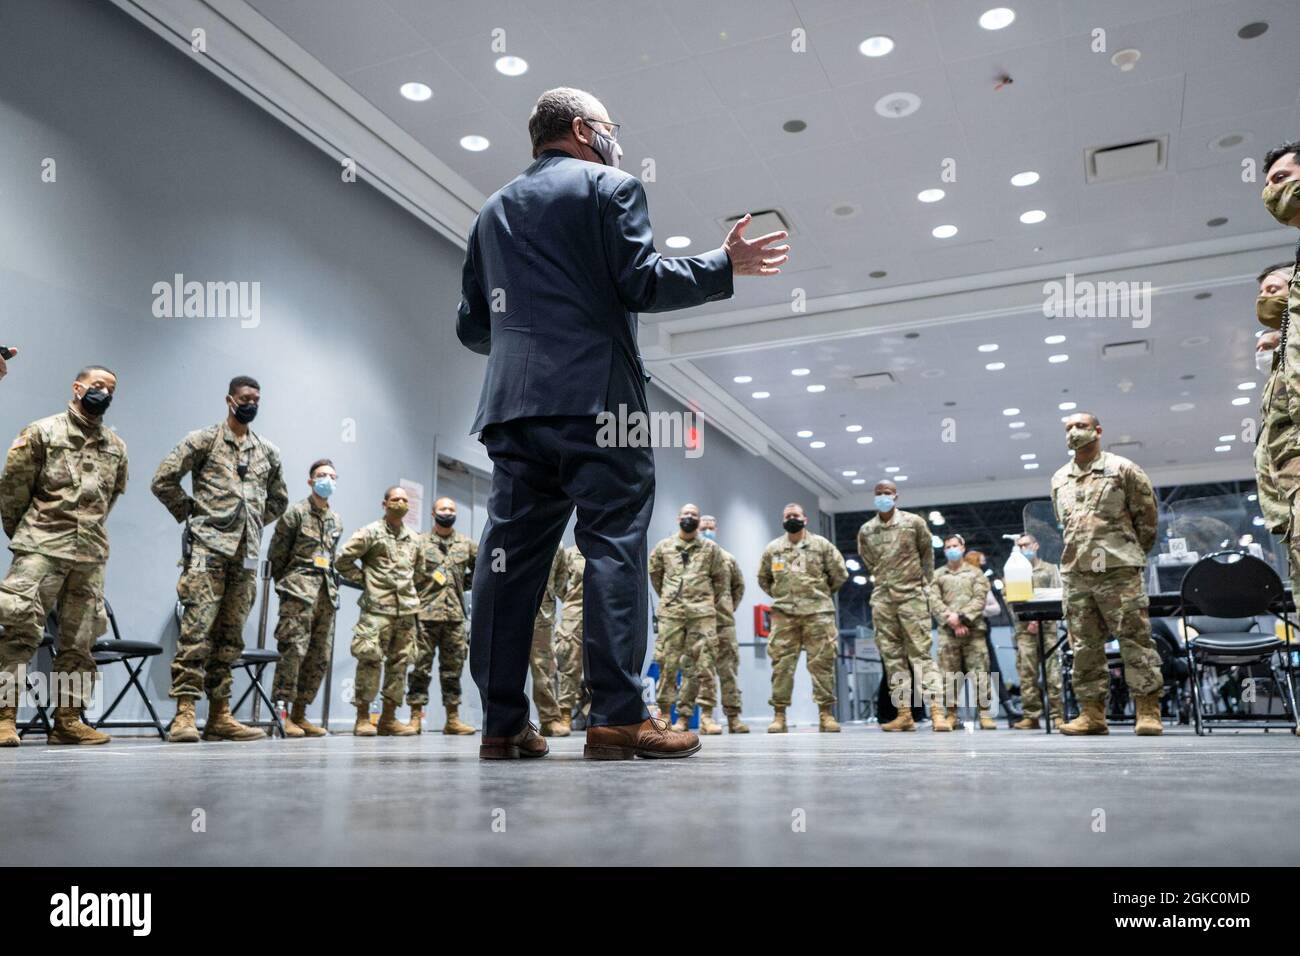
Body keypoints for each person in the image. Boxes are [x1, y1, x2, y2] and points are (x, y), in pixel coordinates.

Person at [456, 87, 787, 761]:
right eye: (611, 129)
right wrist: (726, 265)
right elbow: (641, 283)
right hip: (600, 406)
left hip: (514, 411)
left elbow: (471, 326)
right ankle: (615, 719)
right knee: (613, 546)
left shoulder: (491, 212)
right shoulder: (611, 187)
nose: (617, 142)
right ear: (582, 129)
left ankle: (500, 724)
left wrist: (531, 344)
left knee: (508, 561)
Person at [152, 375, 288, 743]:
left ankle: (220, 715)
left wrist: (252, 524)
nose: (251, 404)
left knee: (231, 640)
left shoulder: (267, 452)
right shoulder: (203, 440)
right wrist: (194, 516)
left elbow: (279, 500)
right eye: (245, 398)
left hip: (245, 557)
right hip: (207, 553)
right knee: (196, 634)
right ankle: (184, 714)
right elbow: (163, 480)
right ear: (230, 400)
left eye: (257, 399)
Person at [0, 365, 127, 746]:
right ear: (77, 388)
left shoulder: (116, 447)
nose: (103, 393)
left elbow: (109, 498)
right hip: (41, 548)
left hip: (89, 556)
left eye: (110, 389)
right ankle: (4, 717)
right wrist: (29, 533)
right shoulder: (42, 432)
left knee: (79, 643)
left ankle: (68, 721)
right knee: (19, 632)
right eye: (97, 386)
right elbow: (12, 489)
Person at [1051, 412, 1163, 736]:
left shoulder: (1123, 469)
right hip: (1077, 571)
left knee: (1135, 640)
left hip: (1117, 570)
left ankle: (1147, 710)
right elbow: (1066, 523)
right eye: (1068, 428)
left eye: (1081, 426)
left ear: (1098, 431)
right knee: (1084, 646)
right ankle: (1092, 714)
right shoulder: (1059, 478)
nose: (1073, 432)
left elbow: (1147, 519)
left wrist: (1129, 554)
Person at [857, 481, 948, 732]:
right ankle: (904, 713)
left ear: (896, 496)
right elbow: (869, 561)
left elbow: (927, 555)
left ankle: (938, 712)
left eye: (887, 493)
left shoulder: (913, 523)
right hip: (883, 600)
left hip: (912, 597)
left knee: (920, 655)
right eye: (878, 494)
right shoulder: (867, 530)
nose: (883, 497)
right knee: (892, 659)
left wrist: (922, 585)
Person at [335, 486, 425, 738]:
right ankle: (362, 718)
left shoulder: (414, 538)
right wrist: (365, 580)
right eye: (395, 499)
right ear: (384, 503)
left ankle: (389, 718)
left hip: (406, 611)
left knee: (400, 665)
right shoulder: (370, 533)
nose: (400, 503)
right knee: (369, 660)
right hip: (377, 610)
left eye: (405, 500)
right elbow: (342, 560)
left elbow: (418, 571)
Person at [267, 458, 342, 738]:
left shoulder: (336, 520)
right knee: (293, 652)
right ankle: (283, 714)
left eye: (333, 476)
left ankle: (300, 713)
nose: (328, 481)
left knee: (318, 655)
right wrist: (290, 586)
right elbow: (277, 555)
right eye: (322, 475)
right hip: (298, 592)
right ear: (310, 481)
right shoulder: (295, 514)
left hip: (326, 595)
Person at [757, 502, 848, 733]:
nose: (791, 519)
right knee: (782, 666)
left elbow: (839, 574)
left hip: (818, 615)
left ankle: (826, 714)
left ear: (805, 519)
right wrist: (784, 596)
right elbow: (764, 579)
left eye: (795, 515)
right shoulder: (773, 548)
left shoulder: (821, 545)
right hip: (784, 616)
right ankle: (779, 716)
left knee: (822, 666)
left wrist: (818, 596)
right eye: (787, 515)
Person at [650, 503, 728, 734]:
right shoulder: (664, 547)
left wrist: (703, 601)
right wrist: (670, 597)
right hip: (671, 614)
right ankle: (664, 714)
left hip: (702, 615)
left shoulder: (711, 549)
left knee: (702, 666)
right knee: (667, 663)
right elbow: (655, 575)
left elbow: (721, 581)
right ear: (678, 518)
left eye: (694, 514)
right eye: (686, 514)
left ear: (699, 519)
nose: (690, 517)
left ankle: (697, 717)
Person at [407, 496, 477, 735]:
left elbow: (481, 571)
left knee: (452, 670)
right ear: (433, 513)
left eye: (451, 508)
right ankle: (415, 717)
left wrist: (462, 584)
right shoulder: (420, 543)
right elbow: (409, 574)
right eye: (442, 509)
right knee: (419, 667)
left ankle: (453, 719)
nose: (447, 512)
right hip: (425, 615)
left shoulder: (466, 544)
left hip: (455, 616)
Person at [1253, 260, 1298, 573]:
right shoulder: (1281, 369)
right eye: (1261, 292)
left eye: (1273, 289)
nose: (1263, 298)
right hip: (1289, 495)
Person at [931, 534, 995, 730]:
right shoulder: (937, 575)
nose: (951, 549)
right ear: (944, 550)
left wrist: (962, 617)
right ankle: (951, 715)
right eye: (948, 546)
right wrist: (951, 619)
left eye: (955, 545)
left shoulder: (977, 574)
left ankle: (984, 714)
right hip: (948, 633)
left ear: (963, 547)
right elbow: (933, 601)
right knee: (948, 676)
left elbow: (980, 599)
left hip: (974, 631)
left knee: (980, 674)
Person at [697, 514, 748, 733]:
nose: (707, 530)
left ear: (716, 529)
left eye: (710, 527)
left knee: (729, 671)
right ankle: (706, 717)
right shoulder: (694, 558)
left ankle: (734, 718)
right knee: (703, 670)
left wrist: (727, 607)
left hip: (724, 622)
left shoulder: (728, 558)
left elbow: (739, 586)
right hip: (699, 622)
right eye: (704, 527)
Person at [1009, 533, 1064, 730]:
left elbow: (1059, 596)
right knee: (1026, 673)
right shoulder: (1014, 569)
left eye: (1027, 545)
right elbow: (1010, 599)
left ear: (1036, 545)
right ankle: (1031, 716)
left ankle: (1058, 715)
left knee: (1053, 673)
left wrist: (1040, 618)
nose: (1024, 549)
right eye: (1020, 546)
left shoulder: (1050, 569)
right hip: (1024, 630)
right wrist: (1027, 618)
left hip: (1047, 628)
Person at [531, 546, 569, 736]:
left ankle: (549, 719)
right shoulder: (511, 530)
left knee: (544, 667)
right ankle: (505, 721)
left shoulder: (557, 542)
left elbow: (562, 581)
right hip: (510, 609)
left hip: (543, 614)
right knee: (505, 667)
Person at [553, 543, 589, 729]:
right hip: (573, 614)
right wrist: (570, 599)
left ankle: (596, 712)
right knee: (569, 663)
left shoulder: (606, 550)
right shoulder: (569, 554)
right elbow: (559, 582)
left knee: (605, 664)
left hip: (602, 613)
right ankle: (565, 713)